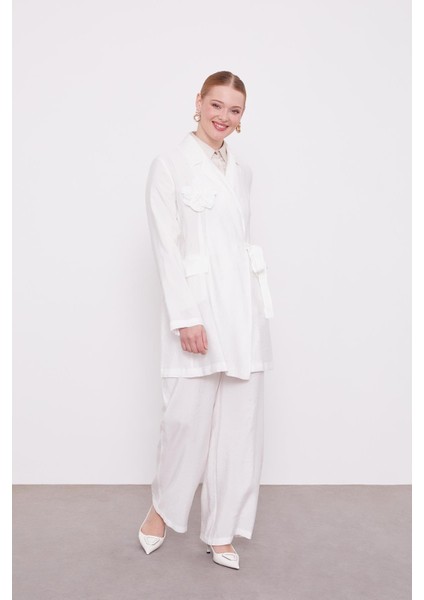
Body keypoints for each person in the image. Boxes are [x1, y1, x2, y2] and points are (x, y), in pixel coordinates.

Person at [138, 70, 274, 570]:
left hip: (243, 313)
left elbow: (237, 246)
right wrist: (186, 317)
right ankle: (161, 508)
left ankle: (221, 531)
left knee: (239, 429)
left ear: (242, 118)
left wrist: (255, 309)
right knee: (185, 422)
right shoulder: (169, 164)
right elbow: (166, 246)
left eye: (234, 110)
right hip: (197, 311)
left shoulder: (242, 172)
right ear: (198, 102)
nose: (224, 116)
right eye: (216, 105)